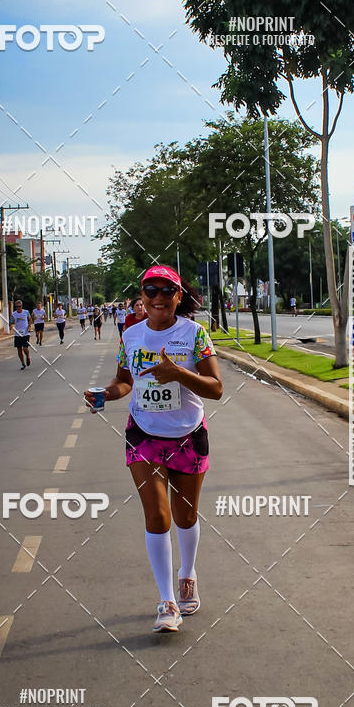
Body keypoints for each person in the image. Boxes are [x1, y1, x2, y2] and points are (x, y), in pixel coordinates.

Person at [84, 265, 223, 633]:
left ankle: (187, 574)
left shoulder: (194, 334)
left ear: (179, 296)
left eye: (166, 291)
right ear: (142, 297)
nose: (158, 297)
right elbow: (124, 381)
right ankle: (167, 600)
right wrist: (105, 394)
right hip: (143, 434)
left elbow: (215, 388)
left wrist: (178, 373)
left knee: (185, 516)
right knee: (157, 516)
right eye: (151, 290)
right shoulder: (131, 335)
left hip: (188, 434)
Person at [10, 300, 33, 369]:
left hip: (25, 333)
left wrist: (29, 326)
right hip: (17, 334)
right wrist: (11, 326)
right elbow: (11, 322)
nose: (18, 308)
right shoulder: (13, 314)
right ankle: (23, 364)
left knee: (25, 348)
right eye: (17, 307)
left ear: (21, 306)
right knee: (19, 349)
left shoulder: (26, 312)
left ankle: (28, 356)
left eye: (19, 306)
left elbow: (30, 319)